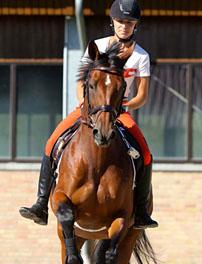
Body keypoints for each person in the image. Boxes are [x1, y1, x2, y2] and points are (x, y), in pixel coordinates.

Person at [19, 0, 158, 230]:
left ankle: (141, 211)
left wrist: (123, 107)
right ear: (112, 22)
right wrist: (86, 105)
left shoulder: (141, 56)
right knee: (52, 141)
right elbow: (80, 82)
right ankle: (41, 203)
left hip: (119, 112)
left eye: (130, 22)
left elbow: (142, 96)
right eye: (121, 21)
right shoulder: (96, 46)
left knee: (145, 153)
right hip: (90, 109)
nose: (125, 26)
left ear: (136, 26)